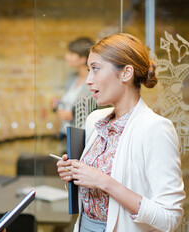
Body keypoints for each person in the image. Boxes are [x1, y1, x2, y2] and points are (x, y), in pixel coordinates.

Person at [56, 33, 185, 231]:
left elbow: (169, 217)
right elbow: (92, 197)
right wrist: (74, 176)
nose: (89, 80)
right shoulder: (94, 121)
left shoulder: (156, 129)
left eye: (96, 70)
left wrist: (104, 182)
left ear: (126, 73)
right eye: (88, 70)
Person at [51, 37, 95, 137]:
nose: (66, 57)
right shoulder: (71, 78)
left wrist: (73, 116)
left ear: (83, 59)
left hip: (83, 136)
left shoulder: (93, 81)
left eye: (71, 54)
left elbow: (96, 109)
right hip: (65, 133)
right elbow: (70, 104)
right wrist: (58, 104)